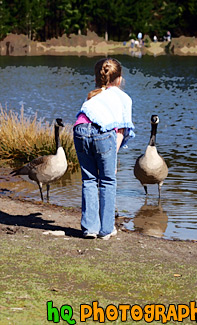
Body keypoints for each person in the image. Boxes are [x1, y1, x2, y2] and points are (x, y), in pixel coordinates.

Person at [73, 58, 135, 240]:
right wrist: (112, 158)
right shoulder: (124, 98)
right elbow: (121, 131)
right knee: (107, 180)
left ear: (97, 78)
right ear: (120, 79)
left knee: (89, 179)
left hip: (80, 129)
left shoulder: (94, 95)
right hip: (102, 132)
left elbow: (86, 120)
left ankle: (89, 229)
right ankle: (106, 229)